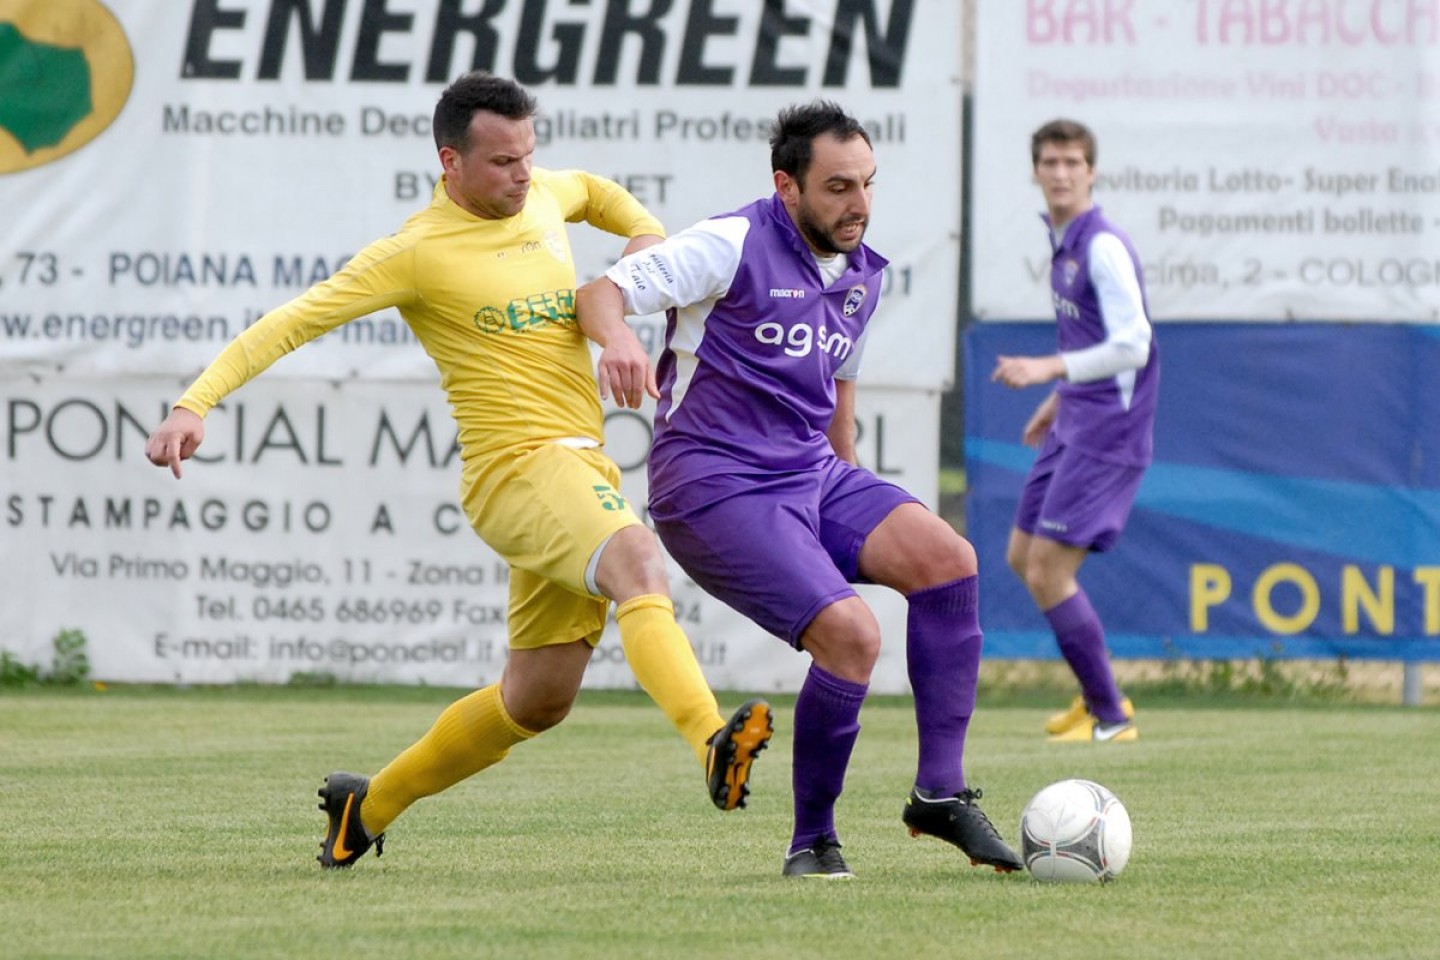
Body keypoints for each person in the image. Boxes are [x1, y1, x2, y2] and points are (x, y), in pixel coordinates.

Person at [144, 72, 772, 869]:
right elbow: (292, 323)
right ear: (452, 161)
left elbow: (602, 194)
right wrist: (193, 404)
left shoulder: (542, 195)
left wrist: (647, 240)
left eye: (528, 156)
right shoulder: (417, 251)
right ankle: (711, 742)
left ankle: (364, 808)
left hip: (578, 468)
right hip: (516, 471)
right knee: (638, 562)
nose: (523, 175)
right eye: (503, 162)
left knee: (536, 703)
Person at [576, 100, 1021, 880]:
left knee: (948, 560)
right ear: (787, 185)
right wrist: (617, 340)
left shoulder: (859, 274)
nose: (859, 206)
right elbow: (599, 294)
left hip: (808, 472)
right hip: (712, 482)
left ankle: (939, 794)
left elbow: (837, 401)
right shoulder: (731, 242)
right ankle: (812, 841)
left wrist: (849, 496)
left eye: (868, 185)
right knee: (852, 637)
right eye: (838, 188)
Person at [990, 118, 1159, 742]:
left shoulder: (1102, 245)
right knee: (1021, 556)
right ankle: (1097, 697)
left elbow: (1134, 345)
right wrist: (1060, 400)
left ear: (1092, 172)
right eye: (1050, 162)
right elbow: (1094, 339)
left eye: (1072, 163)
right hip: (1077, 420)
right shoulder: (1064, 243)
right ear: (1036, 170)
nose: (1060, 173)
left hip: (1109, 434)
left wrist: (1049, 369)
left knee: (1047, 571)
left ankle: (1112, 715)